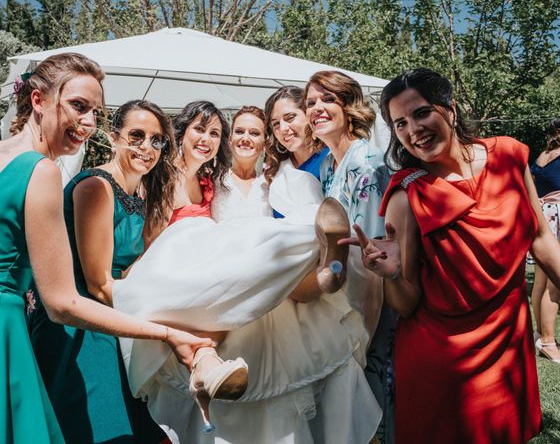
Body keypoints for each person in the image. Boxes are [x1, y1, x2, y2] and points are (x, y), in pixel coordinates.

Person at [0, 52, 213, 443]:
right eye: (78, 107)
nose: (88, 123)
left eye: (95, 112)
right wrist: (165, 334)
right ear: (38, 100)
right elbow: (62, 303)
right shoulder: (40, 172)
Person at [113, 102, 382, 442]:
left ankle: (326, 266)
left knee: (280, 261)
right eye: (237, 131)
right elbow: (157, 236)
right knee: (250, 250)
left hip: (250, 274)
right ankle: (317, 258)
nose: (244, 138)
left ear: (264, 141)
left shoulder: (273, 180)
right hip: (209, 270)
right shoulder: (207, 179)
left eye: (254, 132)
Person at [347, 68, 560, 443]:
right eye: (399, 124)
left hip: (508, 347)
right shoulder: (406, 196)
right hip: (442, 363)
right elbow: (407, 304)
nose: (412, 129)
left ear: (450, 109)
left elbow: (541, 239)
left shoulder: (509, 155)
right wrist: (390, 274)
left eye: (421, 112)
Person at [28, 99, 180, 442]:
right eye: (137, 136)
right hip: (80, 324)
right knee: (102, 427)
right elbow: (98, 284)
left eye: (157, 140)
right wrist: (159, 324)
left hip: (112, 315)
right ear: (114, 137)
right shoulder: (96, 187)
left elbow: (133, 269)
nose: (147, 147)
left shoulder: (140, 193)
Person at [304, 70, 393, 443]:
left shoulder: (368, 164)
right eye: (310, 102)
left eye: (328, 99)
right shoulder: (327, 166)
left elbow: (373, 252)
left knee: (373, 398)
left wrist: (364, 334)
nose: (317, 108)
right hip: (340, 299)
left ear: (349, 106)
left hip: (373, 302)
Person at [263, 85, 329, 219]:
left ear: (308, 114)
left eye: (290, 118)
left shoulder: (331, 160)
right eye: (275, 124)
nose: (282, 129)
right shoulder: (278, 170)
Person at [531, 118, 560, 363]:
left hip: (545, 218)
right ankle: (549, 342)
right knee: (555, 283)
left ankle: (540, 333)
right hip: (557, 218)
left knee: (541, 280)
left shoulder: (542, 156)